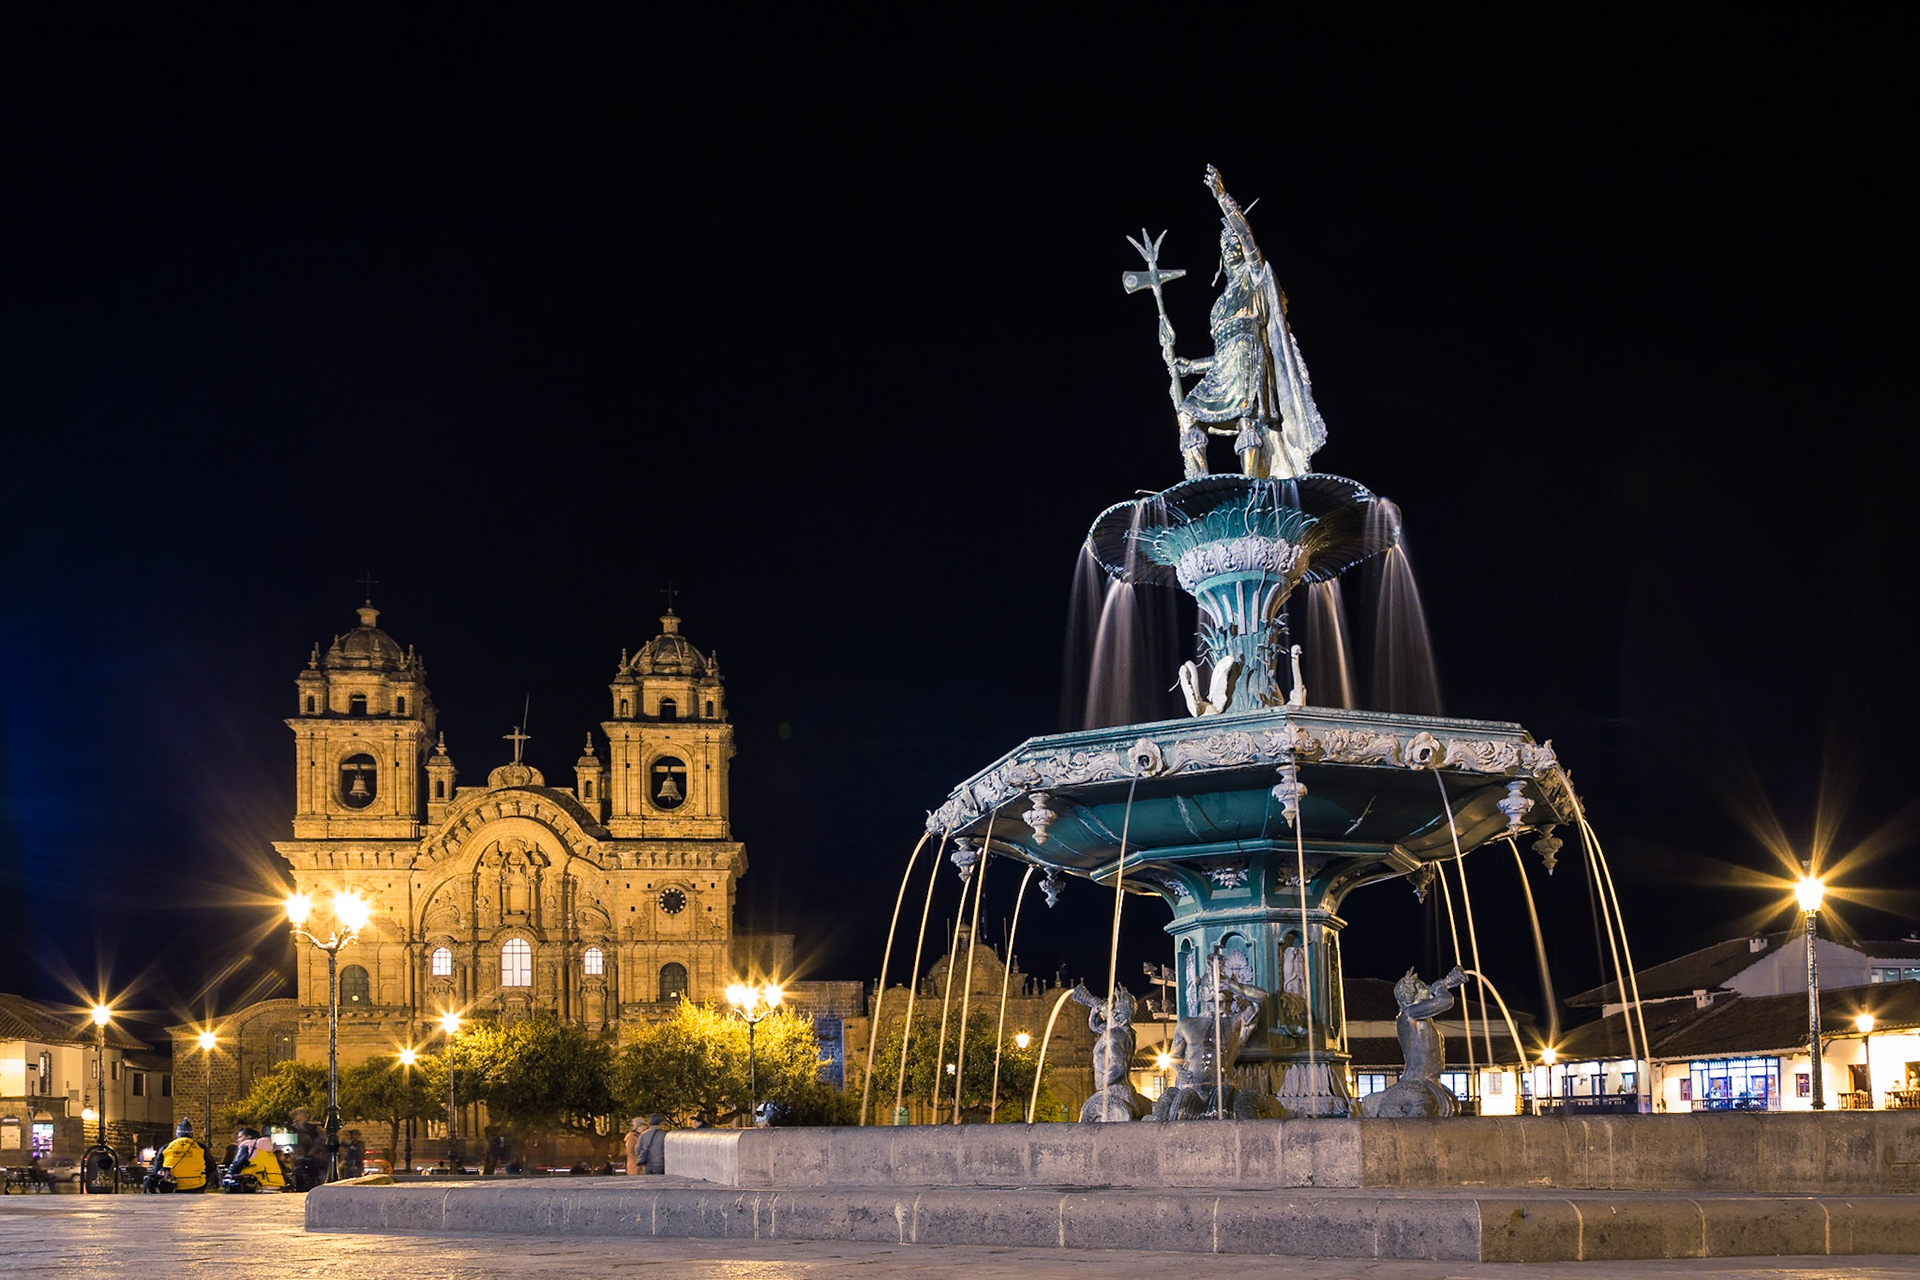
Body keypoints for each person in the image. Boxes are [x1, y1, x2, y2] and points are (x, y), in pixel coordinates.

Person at [143, 1119, 209, 1193]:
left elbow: (156, 1169)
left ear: (177, 1133)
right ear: (192, 1134)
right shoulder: (201, 1147)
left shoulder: (166, 1147)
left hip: (171, 1185)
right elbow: (211, 1167)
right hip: (197, 1185)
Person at [223, 1127, 287, 1192]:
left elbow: (237, 1163)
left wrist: (228, 1174)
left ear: (248, 1137)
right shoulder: (267, 1149)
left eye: (240, 1137)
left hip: (257, 1184)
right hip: (276, 1184)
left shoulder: (247, 1145)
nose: (237, 1140)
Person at [286, 1108, 323, 1189]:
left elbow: (319, 1140)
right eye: (303, 1114)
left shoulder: (313, 1127)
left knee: (313, 1174)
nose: (306, 1116)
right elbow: (292, 1142)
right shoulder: (292, 1128)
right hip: (300, 1155)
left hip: (312, 1155)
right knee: (299, 1174)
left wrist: (314, 1149)